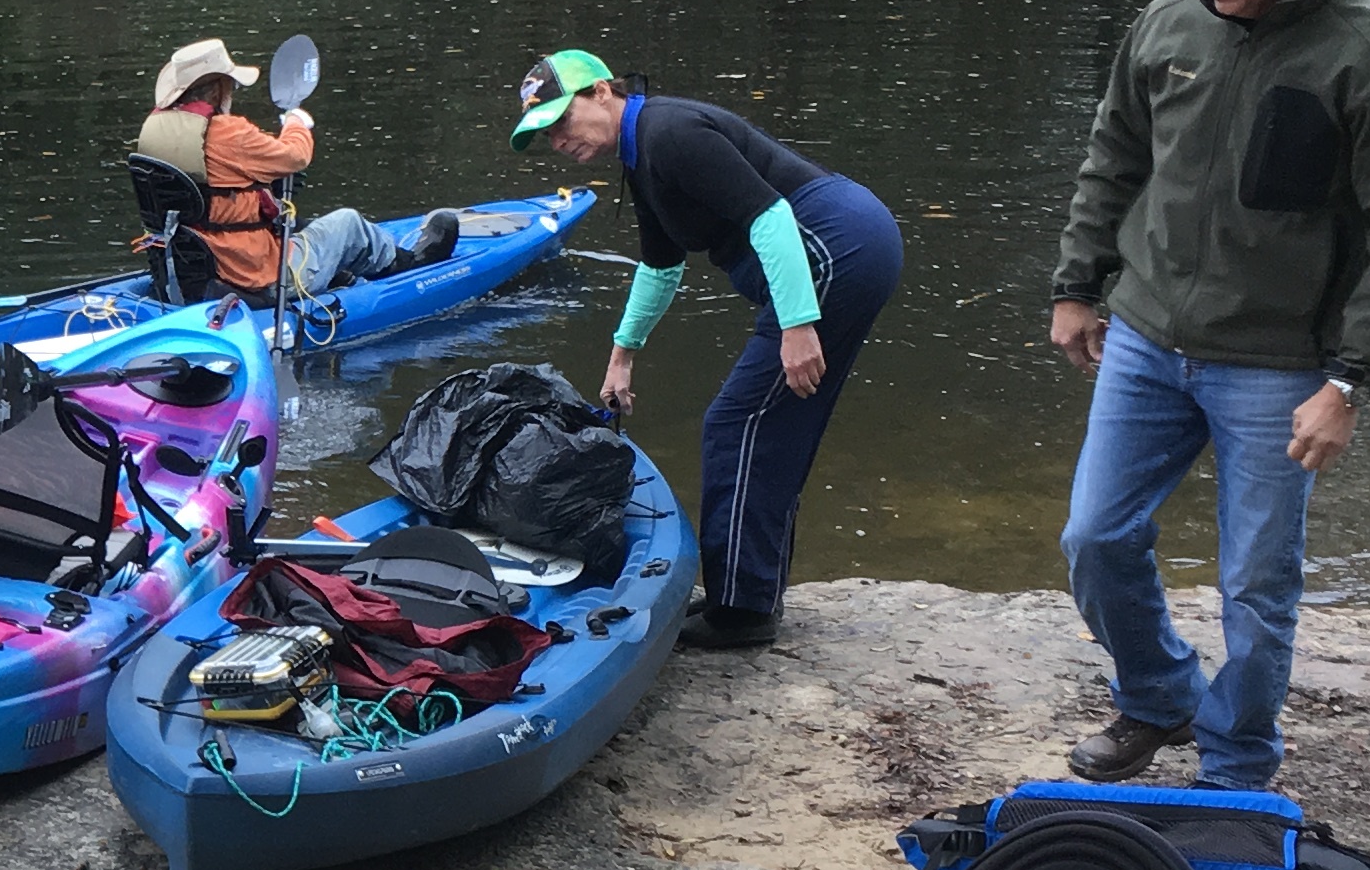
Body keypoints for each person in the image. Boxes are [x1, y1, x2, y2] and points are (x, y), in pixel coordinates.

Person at [1050, 0, 1370, 790]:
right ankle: (1158, 695)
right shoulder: (1169, 23)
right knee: (1095, 539)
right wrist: (1077, 287)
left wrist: (1350, 380)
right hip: (1146, 336)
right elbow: (1114, 158)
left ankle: (1236, 763)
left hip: (1278, 366)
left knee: (1255, 586)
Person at [515, 49, 899, 650]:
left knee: (737, 423)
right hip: (840, 248)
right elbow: (660, 266)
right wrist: (622, 353)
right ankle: (747, 597)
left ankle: (741, 610)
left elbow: (771, 216)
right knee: (771, 424)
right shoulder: (643, 154)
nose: (558, 141)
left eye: (562, 121)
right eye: (546, 135)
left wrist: (798, 324)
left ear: (600, 93)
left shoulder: (670, 133)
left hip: (831, 248)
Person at [132, 39, 455, 303]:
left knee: (295, 222)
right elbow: (295, 157)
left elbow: (213, 195)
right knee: (348, 223)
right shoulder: (227, 132)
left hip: (187, 275)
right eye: (229, 84)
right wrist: (297, 123)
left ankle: (338, 273)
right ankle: (413, 267)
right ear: (218, 88)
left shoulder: (154, 132)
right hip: (255, 276)